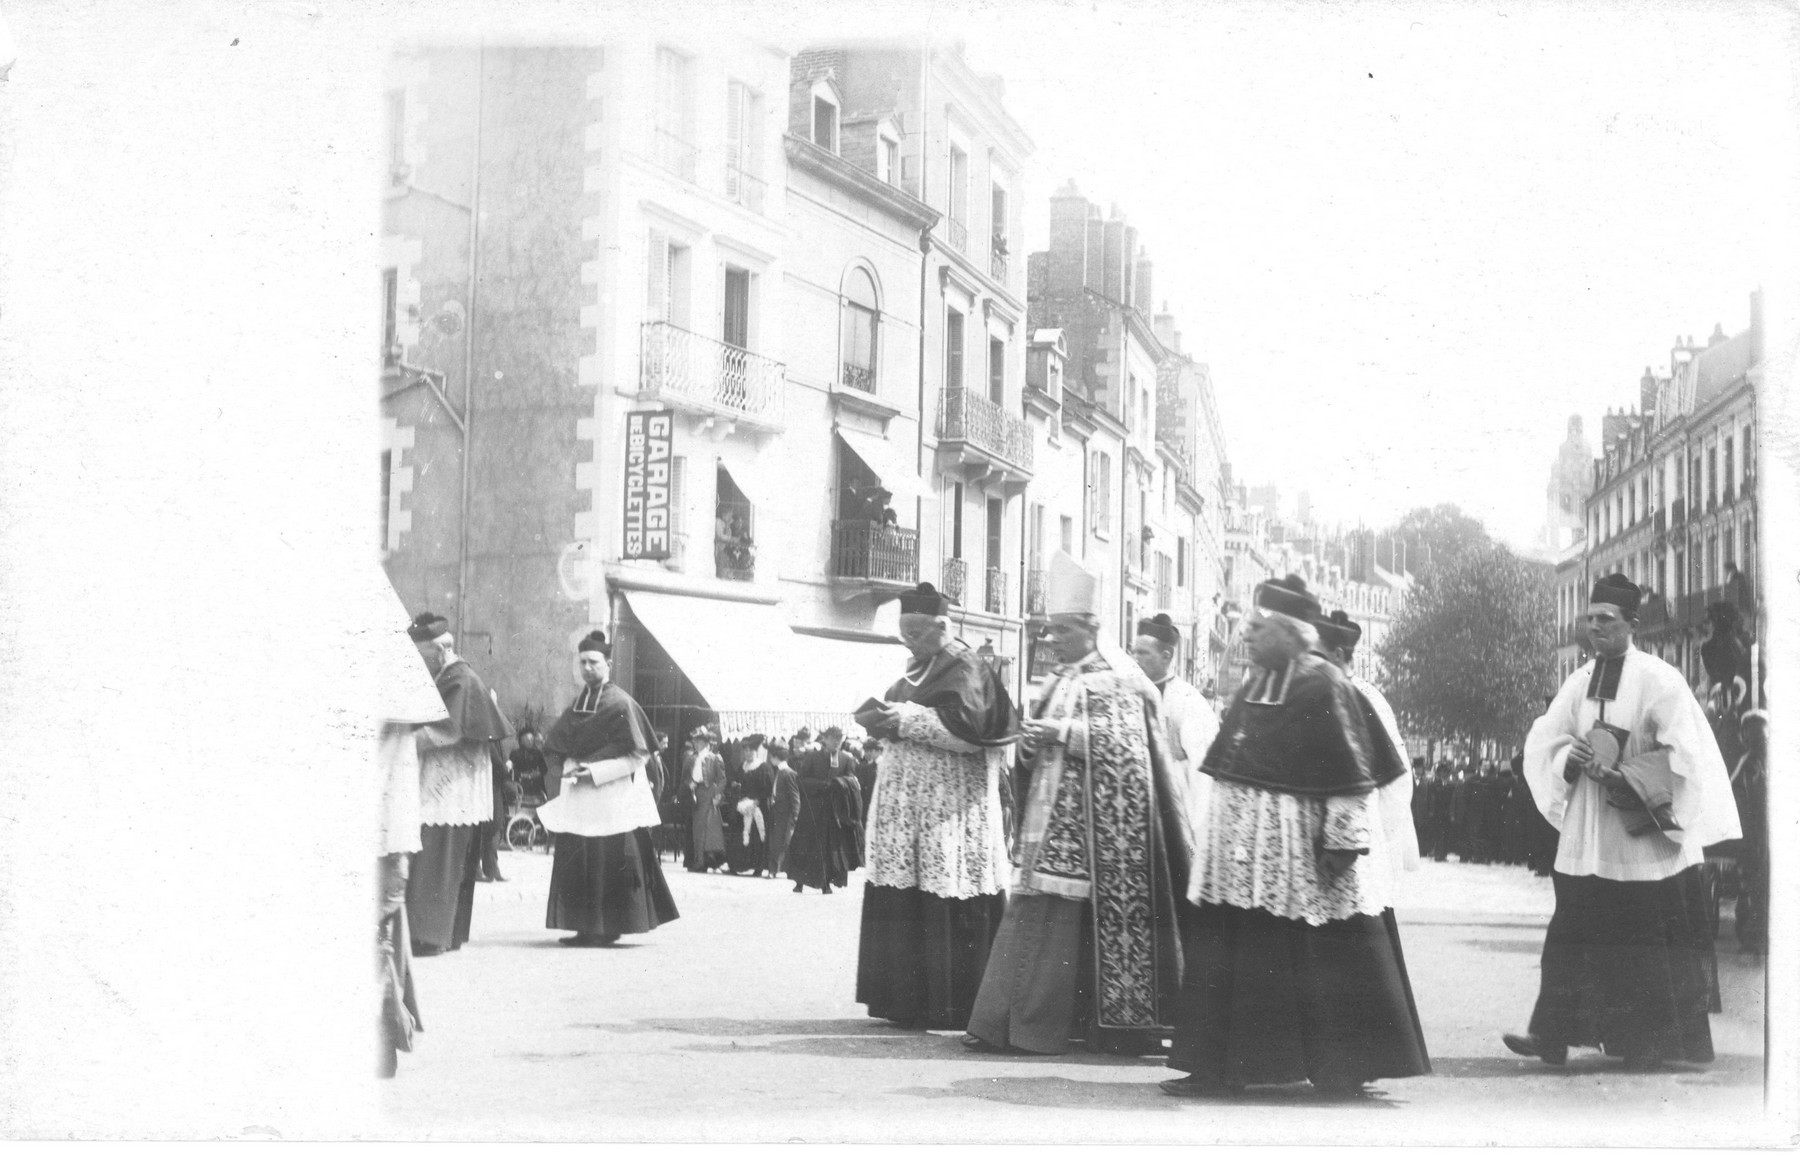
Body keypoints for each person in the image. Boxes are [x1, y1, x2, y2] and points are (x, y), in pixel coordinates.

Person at [1164, 578, 1428, 1098]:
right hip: (1242, 860)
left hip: (1301, 856)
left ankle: (1342, 1069)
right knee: (1234, 951)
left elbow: (1353, 772)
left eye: (1257, 629)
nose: (1245, 637)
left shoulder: (1325, 682)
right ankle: (1220, 1066)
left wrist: (1344, 841)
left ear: (1289, 633)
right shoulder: (1254, 682)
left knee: (1321, 957)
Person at [1504, 573, 1741, 1071]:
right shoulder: (1578, 680)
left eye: (1606, 620)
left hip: (1640, 832)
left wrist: (1625, 772)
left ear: (1632, 625)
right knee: (1570, 929)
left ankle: (1648, 1041)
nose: (1596, 628)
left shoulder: (1660, 679)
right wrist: (1570, 760)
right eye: (1590, 619)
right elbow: (1545, 738)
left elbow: (1687, 753)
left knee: (1642, 938)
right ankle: (1550, 1034)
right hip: (1590, 831)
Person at [965, 552, 1192, 1056]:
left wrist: (1064, 733)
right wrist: (1029, 744)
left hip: (1097, 835)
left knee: (1068, 930)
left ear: (1090, 627)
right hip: (1048, 818)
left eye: (1059, 631)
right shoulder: (1060, 677)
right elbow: (1037, 743)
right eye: (1046, 631)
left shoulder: (1122, 678)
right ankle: (1006, 1024)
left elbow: (1131, 749)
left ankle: (1053, 1028)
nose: (1049, 641)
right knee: (1035, 918)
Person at [854, 582, 1016, 1031]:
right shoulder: (917, 669)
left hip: (949, 811)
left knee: (944, 888)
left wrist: (904, 719)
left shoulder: (968, 666)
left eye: (917, 633)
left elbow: (971, 732)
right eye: (904, 632)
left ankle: (951, 1002)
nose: (909, 641)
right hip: (907, 811)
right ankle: (904, 1001)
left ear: (943, 626)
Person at [534, 630, 678, 947]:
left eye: (594, 662)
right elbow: (558, 744)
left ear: (608, 664)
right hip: (581, 795)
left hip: (612, 797)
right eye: (582, 662)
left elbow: (639, 754)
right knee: (580, 859)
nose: (587, 668)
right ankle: (585, 928)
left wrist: (597, 772)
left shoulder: (621, 702)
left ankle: (607, 927)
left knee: (606, 860)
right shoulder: (577, 704)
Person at [375, 580, 449, 1078]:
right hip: (385, 832)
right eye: (435, 648)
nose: (443, 655)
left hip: (382, 834)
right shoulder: (398, 683)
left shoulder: (397, 689)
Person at [406, 612, 513, 956]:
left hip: (450, 786)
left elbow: (448, 730)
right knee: (440, 858)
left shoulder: (460, 679)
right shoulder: (447, 674)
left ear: (439, 650)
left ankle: (429, 935)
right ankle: (439, 934)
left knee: (437, 858)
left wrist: (396, 741)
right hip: (446, 781)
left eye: (420, 656)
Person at [1129, 613, 1219, 858]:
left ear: (1166, 656)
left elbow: (1203, 770)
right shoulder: (1126, 692)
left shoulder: (1189, 701)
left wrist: (1194, 828)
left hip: (1174, 802)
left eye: (1143, 654)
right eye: (1133, 652)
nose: (1135, 660)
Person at [786, 726, 862, 894]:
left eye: (839, 739)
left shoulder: (845, 759)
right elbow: (801, 780)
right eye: (833, 738)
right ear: (825, 739)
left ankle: (826, 881)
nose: (836, 742)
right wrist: (821, 785)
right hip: (812, 808)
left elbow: (851, 781)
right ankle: (800, 881)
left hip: (833, 810)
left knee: (829, 846)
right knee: (805, 843)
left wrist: (840, 784)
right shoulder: (812, 757)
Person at [724, 734, 772, 876]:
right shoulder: (742, 766)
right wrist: (735, 785)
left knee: (756, 837)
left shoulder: (763, 767)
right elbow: (738, 783)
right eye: (745, 751)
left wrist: (756, 803)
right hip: (742, 805)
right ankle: (736, 866)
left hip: (757, 806)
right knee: (738, 835)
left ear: (756, 752)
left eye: (751, 751)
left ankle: (758, 867)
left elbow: (767, 789)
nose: (748, 753)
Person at [684, 727, 727, 873]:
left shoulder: (714, 758)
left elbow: (722, 780)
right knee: (697, 829)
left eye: (699, 740)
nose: (695, 743)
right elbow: (689, 776)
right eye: (695, 740)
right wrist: (690, 785)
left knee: (703, 829)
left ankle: (702, 862)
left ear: (706, 742)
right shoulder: (692, 758)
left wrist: (716, 795)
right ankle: (698, 861)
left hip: (708, 793)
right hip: (695, 793)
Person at [764, 740, 802, 877]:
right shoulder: (779, 772)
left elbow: (794, 796)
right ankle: (773, 869)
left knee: (780, 842)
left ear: (776, 757)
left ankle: (775, 870)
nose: (770, 759)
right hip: (777, 812)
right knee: (775, 841)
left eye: (771, 756)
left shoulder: (788, 773)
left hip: (785, 814)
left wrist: (796, 816)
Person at [508, 729, 549, 802]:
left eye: (532, 739)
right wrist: (522, 775)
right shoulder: (515, 754)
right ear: (521, 741)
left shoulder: (537, 753)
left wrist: (537, 773)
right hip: (520, 783)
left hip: (536, 784)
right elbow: (510, 770)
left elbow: (544, 769)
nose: (530, 742)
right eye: (527, 739)